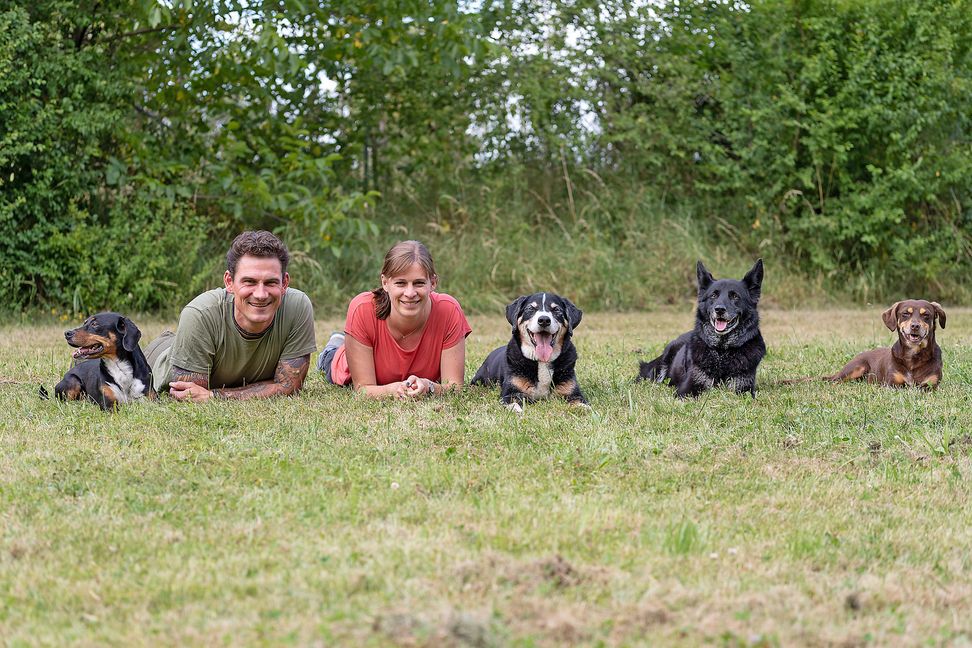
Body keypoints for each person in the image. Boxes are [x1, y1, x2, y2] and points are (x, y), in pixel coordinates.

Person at [145, 230, 317, 402]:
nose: (261, 294)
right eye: (249, 281)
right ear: (229, 282)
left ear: (284, 283)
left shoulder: (297, 306)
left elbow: (289, 387)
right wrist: (269, 387)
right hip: (159, 355)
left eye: (270, 282)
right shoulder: (199, 314)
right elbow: (190, 397)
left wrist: (214, 396)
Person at [318, 240, 471, 399]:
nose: (410, 293)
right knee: (331, 360)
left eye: (418, 283)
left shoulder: (449, 310)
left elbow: (455, 388)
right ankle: (334, 346)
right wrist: (395, 390)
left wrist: (429, 386)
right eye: (401, 283)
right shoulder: (362, 309)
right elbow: (362, 390)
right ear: (385, 283)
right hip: (345, 365)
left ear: (432, 283)